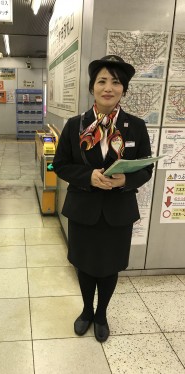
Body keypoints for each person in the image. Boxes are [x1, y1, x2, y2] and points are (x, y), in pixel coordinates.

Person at [52, 55, 153, 343]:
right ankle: (86, 310)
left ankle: (102, 314)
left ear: (124, 89)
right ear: (92, 87)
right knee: (84, 265)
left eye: (116, 82)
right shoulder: (75, 125)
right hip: (83, 209)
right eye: (102, 81)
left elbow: (146, 167)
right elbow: (60, 165)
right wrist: (88, 176)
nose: (108, 87)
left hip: (118, 211)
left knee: (109, 267)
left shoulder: (136, 126)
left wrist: (126, 180)